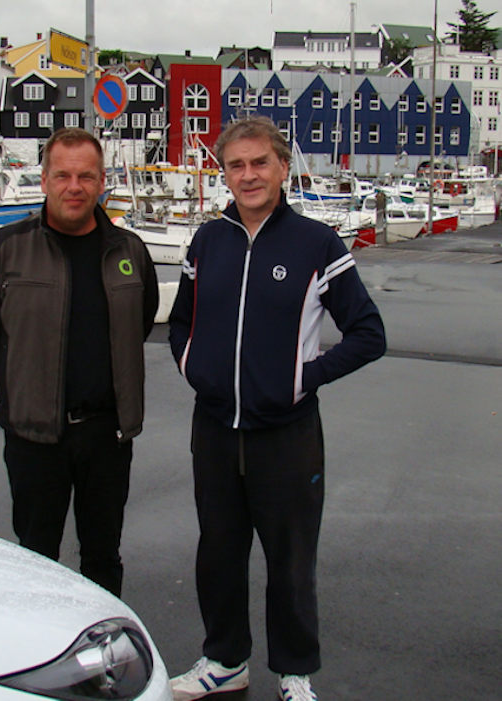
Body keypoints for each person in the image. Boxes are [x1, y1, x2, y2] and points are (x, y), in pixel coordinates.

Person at [168, 116, 386, 701]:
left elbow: (369, 334)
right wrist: (194, 368)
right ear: (224, 173)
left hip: (287, 433)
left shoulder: (316, 243)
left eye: (259, 162)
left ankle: (294, 673)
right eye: (236, 165)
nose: (248, 175)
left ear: (283, 167)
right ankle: (224, 661)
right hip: (215, 428)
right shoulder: (207, 242)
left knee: (290, 559)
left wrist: (301, 380)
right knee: (218, 552)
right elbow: (181, 322)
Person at [0, 127, 159, 598]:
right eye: (63, 176)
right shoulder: (6, 248)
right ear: (45, 179)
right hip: (34, 437)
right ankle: (40, 641)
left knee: (103, 557)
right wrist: (22, 380)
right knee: (35, 558)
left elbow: (140, 322)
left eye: (86, 176)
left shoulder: (129, 251)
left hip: (107, 435)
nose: (75, 187)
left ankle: (101, 640)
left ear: (102, 181)